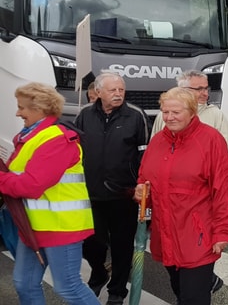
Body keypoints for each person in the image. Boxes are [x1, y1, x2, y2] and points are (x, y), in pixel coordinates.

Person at [134, 87, 228, 305]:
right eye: (165, 112)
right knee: (179, 290)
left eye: (176, 112)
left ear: (192, 112)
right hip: (166, 233)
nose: (169, 118)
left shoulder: (211, 140)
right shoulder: (158, 142)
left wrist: (223, 232)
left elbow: (224, 189)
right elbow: (145, 178)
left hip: (197, 235)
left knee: (193, 297)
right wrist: (141, 192)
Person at [0, 82, 99, 304]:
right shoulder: (31, 135)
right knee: (24, 283)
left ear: (40, 109)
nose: (18, 112)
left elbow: (31, 185)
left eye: (22, 107)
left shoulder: (57, 139)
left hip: (61, 225)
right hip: (35, 224)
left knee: (69, 287)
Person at [75, 72, 149, 304]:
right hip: (91, 194)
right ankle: (98, 272)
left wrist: (140, 185)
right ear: (98, 92)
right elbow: (76, 150)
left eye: (121, 90)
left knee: (122, 247)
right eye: (112, 90)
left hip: (123, 195)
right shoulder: (85, 115)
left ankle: (117, 291)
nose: (118, 94)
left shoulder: (136, 116)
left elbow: (145, 154)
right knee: (91, 243)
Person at [151, 70, 228, 169]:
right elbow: (153, 151)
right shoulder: (163, 116)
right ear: (182, 89)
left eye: (206, 88)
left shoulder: (216, 115)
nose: (205, 94)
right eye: (199, 89)